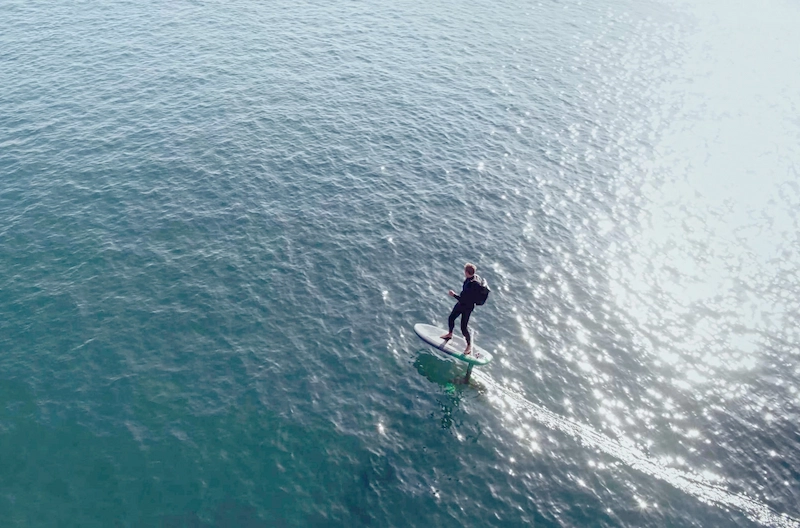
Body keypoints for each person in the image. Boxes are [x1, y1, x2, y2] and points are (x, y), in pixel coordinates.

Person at [440, 262, 483, 354]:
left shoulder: (472, 285)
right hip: (462, 304)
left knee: (463, 328)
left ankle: (469, 346)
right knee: (451, 318)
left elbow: (464, 299)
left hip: (467, 307)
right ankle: (450, 334)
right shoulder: (473, 278)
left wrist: (453, 295)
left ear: (467, 272)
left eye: (465, 271)